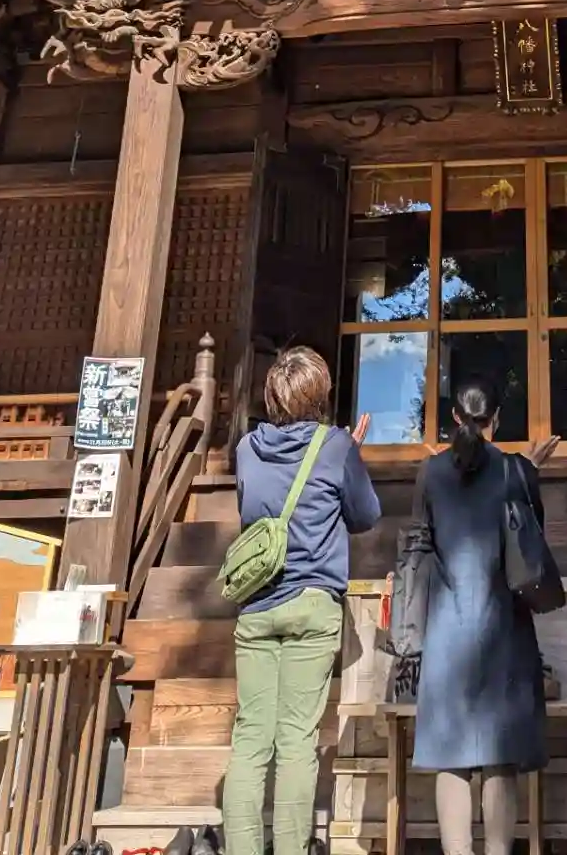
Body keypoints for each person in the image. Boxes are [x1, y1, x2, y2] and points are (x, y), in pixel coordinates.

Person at [222, 346, 380, 855]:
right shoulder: (335, 447)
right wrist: (349, 455)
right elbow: (365, 516)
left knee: (250, 739)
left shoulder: (247, 449)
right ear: (320, 396)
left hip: (257, 604)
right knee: (296, 740)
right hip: (312, 602)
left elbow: (252, 509)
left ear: (272, 397)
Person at [410, 377, 558, 855]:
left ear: (455, 417)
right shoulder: (517, 471)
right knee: (500, 754)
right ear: (497, 419)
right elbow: (531, 545)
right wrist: (527, 471)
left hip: (446, 627)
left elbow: (418, 544)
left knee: (450, 756)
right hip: (504, 626)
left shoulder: (430, 473)